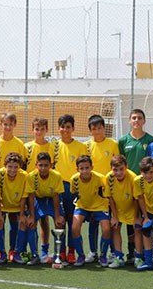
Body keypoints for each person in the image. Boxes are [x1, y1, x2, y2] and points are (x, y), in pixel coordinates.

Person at [118, 109, 153, 262]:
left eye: (139, 118)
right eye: (134, 118)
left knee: (146, 218)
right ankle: (131, 252)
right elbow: (120, 162)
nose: (136, 121)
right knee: (130, 220)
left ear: (144, 121)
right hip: (128, 185)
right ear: (129, 121)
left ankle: (151, 251)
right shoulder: (123, 141)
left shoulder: (151, 140)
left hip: (145, 185)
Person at [53, 114, 88, 263]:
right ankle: (60, 252)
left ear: (73, 128)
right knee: (60, 220)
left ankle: (72, 251)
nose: (65, 130)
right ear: (59, 128)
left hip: (74, 188)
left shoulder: (81, 146)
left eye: (68, 127)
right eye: (63, 127)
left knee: (72, 221)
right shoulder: (53, 146)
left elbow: (84, 168)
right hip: (59, 188)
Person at [84, 114, 120, 263]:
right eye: (94, 129)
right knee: (93, 222)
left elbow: (117, 165)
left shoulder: (112, 144)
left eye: (99, 128)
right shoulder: (86, 146)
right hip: (92, 189)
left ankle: (110, 251)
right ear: (90, 130)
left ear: (104, 128)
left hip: (109, 189)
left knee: (109, 222)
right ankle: (93, 251)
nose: (97, 131)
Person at [24, 152, 66, 264]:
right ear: (36, 165)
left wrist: (57, 216)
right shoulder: (31, 176)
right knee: (32, 223)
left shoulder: (56, 176)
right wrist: (31, 216)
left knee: (59, 223)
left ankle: (59, 255)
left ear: (51, 165)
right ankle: (36, 254)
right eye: (40, 165)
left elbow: (56, 196)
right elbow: (31, 197)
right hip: (39, 199)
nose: (43, 168)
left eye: (46, 165)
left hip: (52, 200)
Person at [70, 155, 111, 267]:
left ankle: (102, 256)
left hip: (99, 207)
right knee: (74, 227)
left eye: (87, 168)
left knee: (106, 229)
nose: (84, 171)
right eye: (81, 168)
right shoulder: (74, 179)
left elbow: (106, 194)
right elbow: (75, 193)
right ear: (77, 169)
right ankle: (81, 255)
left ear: (92, 167)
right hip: (82, 206)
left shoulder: (100, 178)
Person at [24, 117, 55, 262]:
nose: (39, 132)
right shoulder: (27, 147)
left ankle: (44, 251)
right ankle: (31, 251)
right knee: (31, 220)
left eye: (42, 129)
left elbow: (53, 167)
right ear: (32, 130)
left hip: (47, 190)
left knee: (44, 220)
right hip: (31, 189)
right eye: (37, 129)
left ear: (46, 130)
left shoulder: (52, 146)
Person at [0, 153, 29, 264]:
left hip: (18, 206)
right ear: (5, 166)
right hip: (3, 205)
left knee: (22, 223)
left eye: (15, 167)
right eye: (10, 167)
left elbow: (24, 196)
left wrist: (22, 214)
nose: (12, 170)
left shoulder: (24, 176)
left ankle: (16, 253)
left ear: (20, 167)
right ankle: (2, 252)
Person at [105, 154, 137, 268]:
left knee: (135, 231)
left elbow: (136, 198)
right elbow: (110, 198)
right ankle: (118, 257)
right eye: (115, 170)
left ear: (126, 167)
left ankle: (134, 255)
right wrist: (114, 215)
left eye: (121, 169)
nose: (118, 172)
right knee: (115, 228)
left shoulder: (133, 177)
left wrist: (137, 216)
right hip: (117, 208)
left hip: (132, 208)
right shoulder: (109, 178)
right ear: (111, 169)